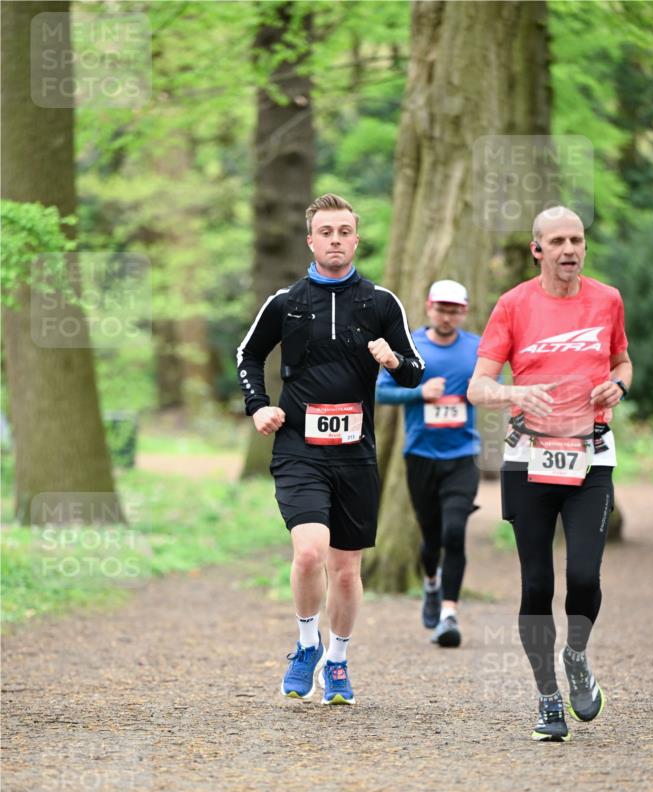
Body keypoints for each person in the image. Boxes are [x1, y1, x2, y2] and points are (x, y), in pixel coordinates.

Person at [237, 193, 425, 705]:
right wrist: (258, 406)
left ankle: (337, 660)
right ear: (311, 240)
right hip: (299, 448)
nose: (335, 240)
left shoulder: (381, 303)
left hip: (355, 453)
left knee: (345, 569)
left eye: (344, 232)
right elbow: (248, 354)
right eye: (326, 232)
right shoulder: (286, 302)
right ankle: (306, 645)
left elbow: (415, 371)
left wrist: (392, 361)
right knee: (308, 553)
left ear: (356, 240)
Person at [467, 205, 632, 742]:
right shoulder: (514, 304)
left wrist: (618, 386)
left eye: (576, 240)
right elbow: (478, 386)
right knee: (537, 584)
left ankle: (576, 656)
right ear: (537, 249)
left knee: (583, 576)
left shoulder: (607, 300)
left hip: (591, 455)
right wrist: (516, 392)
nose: (569, 250)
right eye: (557, 241)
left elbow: (622, 361)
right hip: (529, 456)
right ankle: (547, 699)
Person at [376, 279, 481, 647]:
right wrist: (421, 393)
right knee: (432, 536)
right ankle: (432, 584)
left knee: (455, 531)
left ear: (464, 312)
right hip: (421, 455)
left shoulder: (477, 348)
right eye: (441, 309)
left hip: (463, 455)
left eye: (454, 311)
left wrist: (480, 392)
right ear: (428, 308)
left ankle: (449, 614)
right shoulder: (410, 345)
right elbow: (381, 392)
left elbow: (492, 386)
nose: (447, 316)